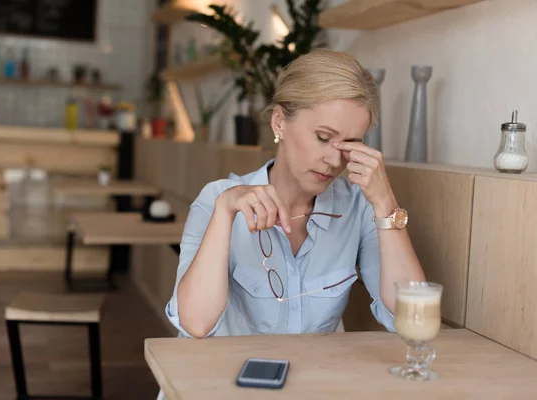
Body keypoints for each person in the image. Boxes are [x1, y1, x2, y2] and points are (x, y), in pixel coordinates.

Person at [164, 48, 426, 340]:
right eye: (323, 138)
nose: (334, 160)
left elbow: (411, 319)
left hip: (313, 382)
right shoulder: (217, 200)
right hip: (224, 381)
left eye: (350, 144)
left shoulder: (359, 206)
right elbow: (195, 324)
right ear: (279, 122)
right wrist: (225, 212)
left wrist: (385, 203)